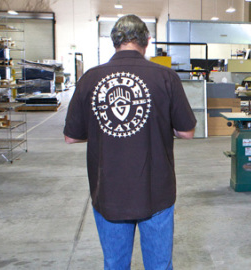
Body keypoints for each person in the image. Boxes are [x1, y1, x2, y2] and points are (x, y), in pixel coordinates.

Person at [63, 14, 196, 269]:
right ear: (146, 40)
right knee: (159, 265)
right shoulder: (166, 77)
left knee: (114, 264)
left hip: (109, 193)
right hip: (156, 192)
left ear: (114, 42)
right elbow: (186, 131)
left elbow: (71, 136)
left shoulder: (90, 78)